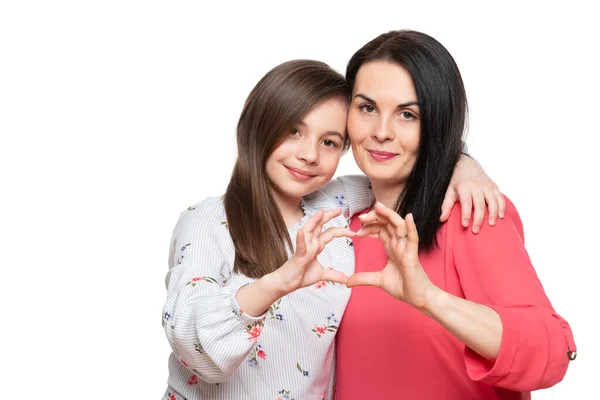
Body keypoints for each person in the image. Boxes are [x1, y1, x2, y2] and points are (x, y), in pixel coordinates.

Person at [161, 59, 500, 399]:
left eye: (330, 142)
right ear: (257, 124)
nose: (309, 155)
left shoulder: (332, 204)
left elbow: (409, 167)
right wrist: (277, 283)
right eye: (294, 131)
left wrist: (464, 165)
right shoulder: (208, 221)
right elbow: (193, 348)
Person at [335, 30, 577, 400]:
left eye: (408, 114)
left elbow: (550, 351)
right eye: (367, 108)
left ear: (438, 122)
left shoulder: (472, 213)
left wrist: (430, 299)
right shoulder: (339, 221)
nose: (381, 132)